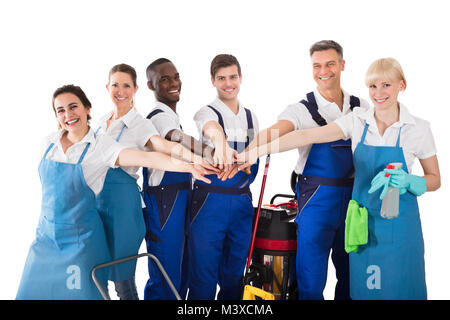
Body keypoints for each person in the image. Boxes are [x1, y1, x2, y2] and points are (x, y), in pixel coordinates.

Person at [238, 57, 441, 300]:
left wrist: (411, 181)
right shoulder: (358, 121)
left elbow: (435, 179)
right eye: (373, 86)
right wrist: (254, 151)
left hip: (401, 224)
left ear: (401, 85)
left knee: (400, 289)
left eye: (386, 85)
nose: (378, 93)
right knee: (364, 290)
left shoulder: (418, 128)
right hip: (362, 223)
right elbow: (304, 136)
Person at [16, 84, 210, 300]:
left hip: (79, 243)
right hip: (45, 239)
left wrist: (190, 165)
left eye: (73, 107)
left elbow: (147, 157)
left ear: (87, 108)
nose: (68, 115)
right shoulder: (48, 144)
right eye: (60, 110)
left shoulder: (100, 147)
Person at [243, 40, 370, 300]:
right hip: (316, 202)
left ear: (342, 65)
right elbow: (275, 131)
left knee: (351, 278)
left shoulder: (362, 107)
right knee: (311, 280)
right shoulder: (301, 109)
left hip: (355, 201)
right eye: (317, 65)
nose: (324, 71)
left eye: (330, 64)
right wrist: (249, 151)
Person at [96, 63, 217, 300]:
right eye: (115, 85)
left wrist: (199, 157)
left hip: (125, 203)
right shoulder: (101, 123)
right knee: (99, 269)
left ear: (136, 88)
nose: (120, 91)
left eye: (127, 85)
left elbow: (166, 144)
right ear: (107, 87)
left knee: (125, 272)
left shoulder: (141, 123)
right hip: (98, 203)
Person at [142, 58, 217, 300]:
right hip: (165, 199)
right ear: (151, 86)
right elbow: (174, 137)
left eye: (176, 77)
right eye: (164, 79)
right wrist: (210, 151)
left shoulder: (172, 114)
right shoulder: (158, 115)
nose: (174, 83)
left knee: (182, 272)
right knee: (167, 273)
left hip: (180, 196)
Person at [186, 54, 260, 300]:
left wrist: (247, 160)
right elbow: (212, 129)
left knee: (234, 277)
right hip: (209, 203)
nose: (228, 84)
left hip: (241, 204)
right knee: (203, 275)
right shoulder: (206, 113)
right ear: (212, 81)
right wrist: (222, 145)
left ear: (241, 78)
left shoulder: (251, 117)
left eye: (232, 77)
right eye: (221, 78)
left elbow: (255, 154)